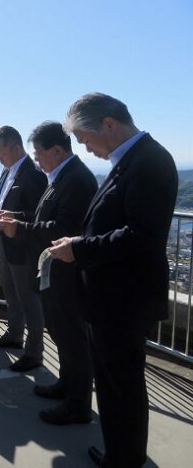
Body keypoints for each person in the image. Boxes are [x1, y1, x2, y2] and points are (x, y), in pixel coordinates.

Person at [49, 93, 178, 467]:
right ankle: (121, 452)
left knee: (121, 385)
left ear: (108, 124)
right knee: (113, 382)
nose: (85, 148)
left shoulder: (149, 161)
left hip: (125, 299)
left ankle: (124, 458)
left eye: (84, 138)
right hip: (114, 297)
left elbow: (142, 235)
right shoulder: (134, 158)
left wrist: (80, 248)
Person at [0, 121, 97, 425]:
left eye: (39, 152)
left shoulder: (76, 180)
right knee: (63, 334)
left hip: (68, 271)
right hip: (56, 269)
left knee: (73, 338)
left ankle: (77, 405)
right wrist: (18, 218)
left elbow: (65, 228)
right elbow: (44, 217)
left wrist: (21, 228)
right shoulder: (61, 176)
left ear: (57, 150)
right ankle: (66, 386)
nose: (36, 158)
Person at [0, 126, 47, 372]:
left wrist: (14, 216)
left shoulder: (34, 174)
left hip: (23, 247)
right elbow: (2, 203)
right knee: (12, 295)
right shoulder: (6, 172)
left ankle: (34, 352)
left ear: (16, 148)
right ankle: (14, 335)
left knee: (29, 300)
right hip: (6, 243)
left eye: (0, 153)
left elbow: (39, 215)